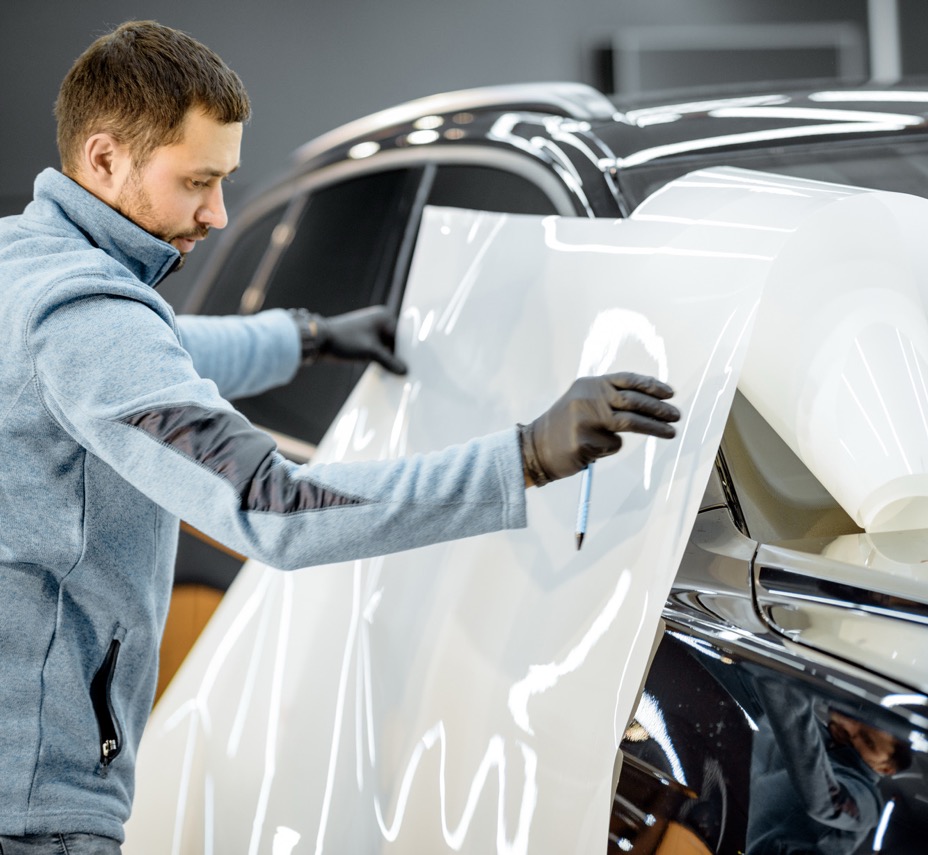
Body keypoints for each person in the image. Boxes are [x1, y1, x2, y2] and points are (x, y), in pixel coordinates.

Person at [0, 20, 680, 853]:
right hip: (34, 806)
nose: (217, 213)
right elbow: (273, 506)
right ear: (104, 159)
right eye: (198, 182)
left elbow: (160, 357)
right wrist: (524, 456)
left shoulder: (24, 267)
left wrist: (308, 334)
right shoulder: (86, 319)